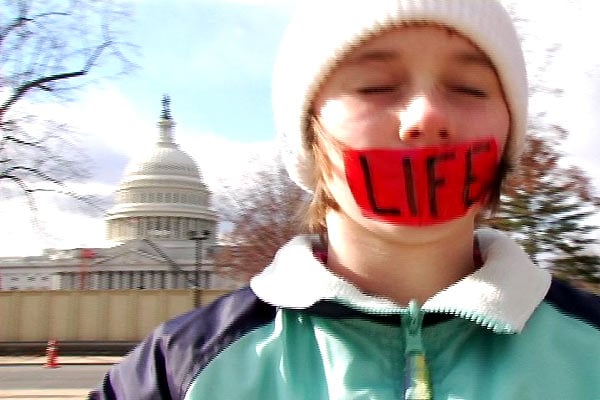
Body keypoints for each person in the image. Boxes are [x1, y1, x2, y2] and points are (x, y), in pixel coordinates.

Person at [90, 1, 600, 399]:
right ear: (306, 134)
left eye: (469, 88)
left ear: (511, 130)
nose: (425, 116)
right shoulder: (177, 373)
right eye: (376, 86)